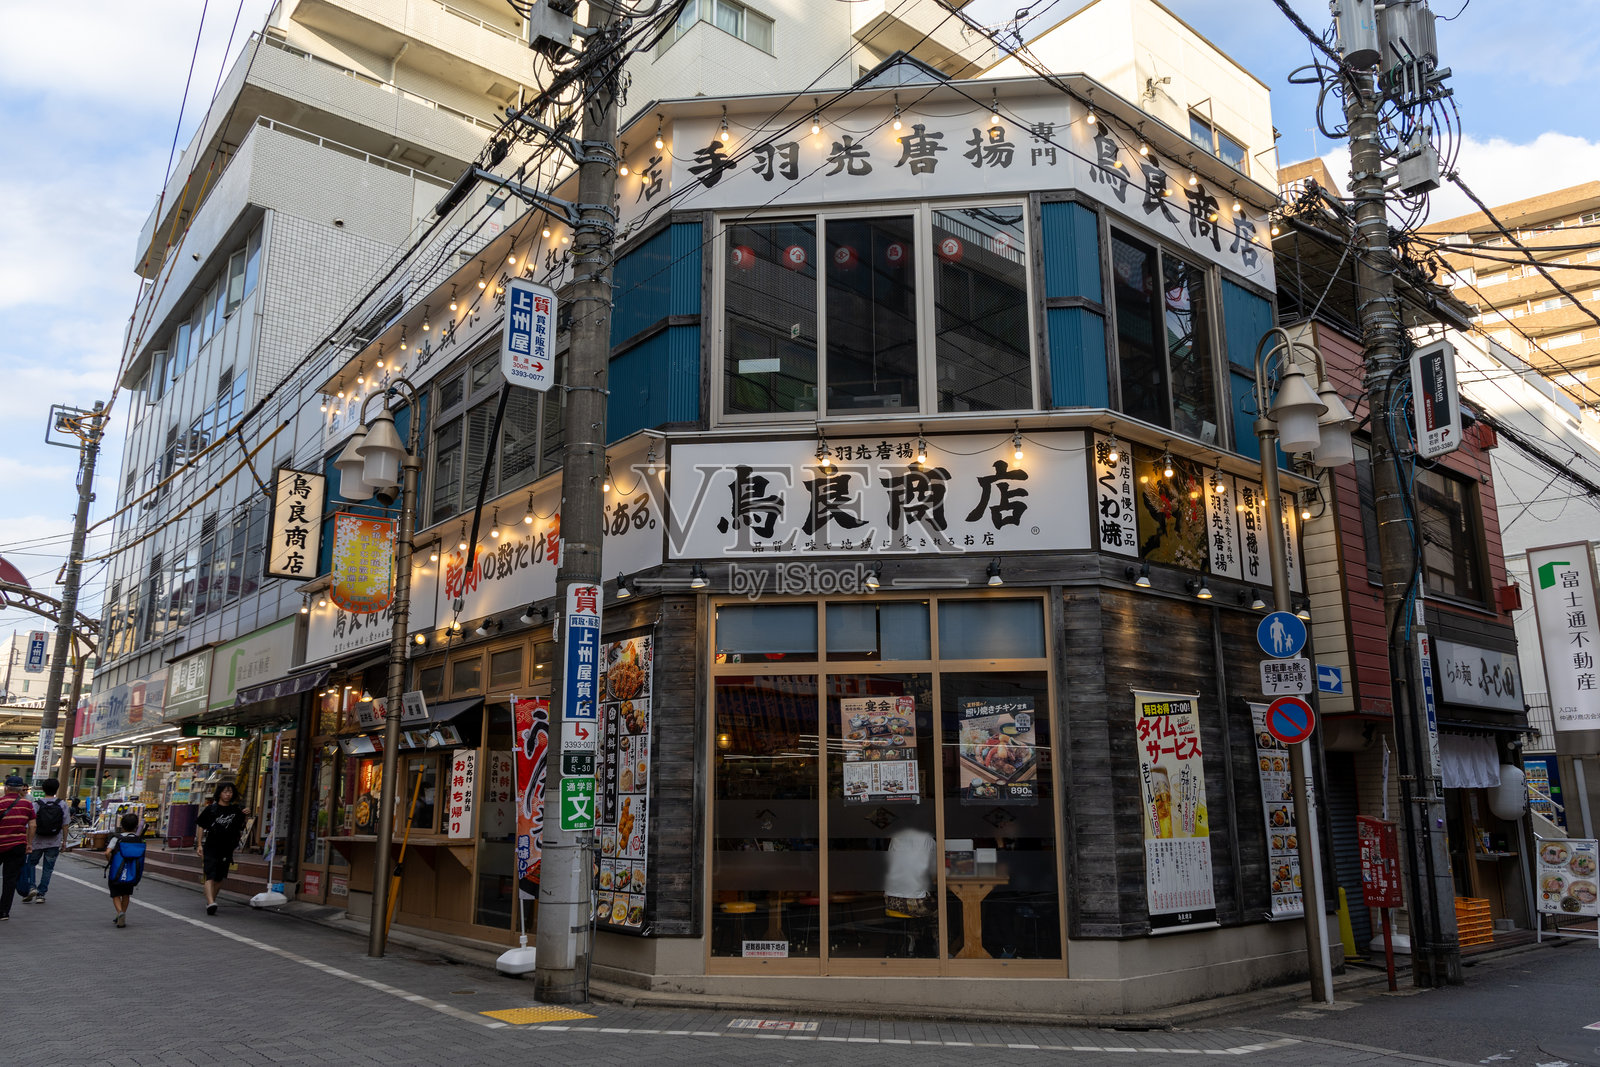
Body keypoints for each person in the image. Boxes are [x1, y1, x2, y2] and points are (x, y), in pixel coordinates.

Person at [196, 782, 250, 916]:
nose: (228, 794)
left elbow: (241, 826)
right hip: (211, 846)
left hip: (227, 848)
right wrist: (199, 844)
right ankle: (211, 902)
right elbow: (201, 825)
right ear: (219, 793)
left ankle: (211, 902)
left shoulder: (235, 810)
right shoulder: (211, 809)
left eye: (230, 792)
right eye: (225, 792)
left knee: (220, 877)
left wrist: (246, 815)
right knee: (210, 874)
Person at [21, 777, 68, 903]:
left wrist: (28, 842)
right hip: (54, 841)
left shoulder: (36, 804)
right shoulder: (62, 804)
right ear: (56, 789)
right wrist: (64, 842)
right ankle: (41, 894)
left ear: (43, 789)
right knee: (48, 868)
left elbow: (31, 825)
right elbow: (65, 825)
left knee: (31, 864)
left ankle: (32, 887)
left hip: (37, 841)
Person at [0, 774, 35, 921]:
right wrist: (29, 844)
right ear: (21, 789)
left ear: (6, 788)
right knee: (10, 879)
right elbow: (32, 825)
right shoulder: (27, 804)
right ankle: (3, 912)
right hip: (18, 846)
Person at [105, 812, 146, 927]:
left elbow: (107, 852)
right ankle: (122, 913)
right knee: (126, 894)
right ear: (136, 826)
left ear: (122, 825)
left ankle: (120, 913)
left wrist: (111, 861)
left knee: (115, 894)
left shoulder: (117, 839)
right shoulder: (139, 840)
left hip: (117, 871)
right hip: (132, 872)